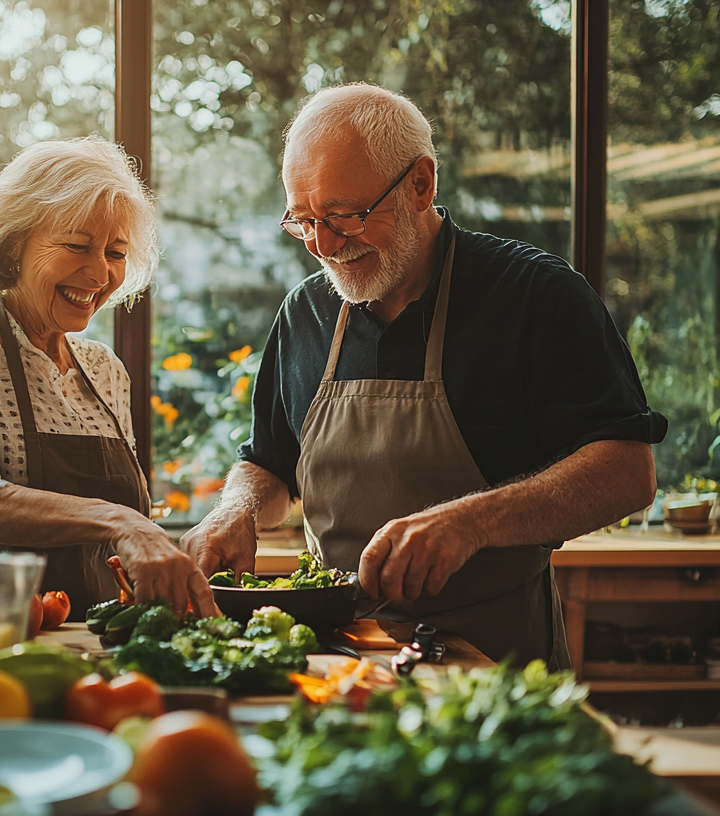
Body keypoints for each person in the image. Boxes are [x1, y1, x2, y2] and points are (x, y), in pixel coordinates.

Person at [181, 84, 667, 667]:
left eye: (345, 216)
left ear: (420, 184)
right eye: (304, 221)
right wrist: (235, 508)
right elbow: (270, 463)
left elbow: (627, 472)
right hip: (338, 661)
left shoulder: (536, 294)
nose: (324, 245)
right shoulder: (305, 313)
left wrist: (473, 521)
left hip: (496, 666)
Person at [0, 136, 217, 619]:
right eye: (77, 246)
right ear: (14, 245)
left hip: (93, 639)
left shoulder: (105, 370)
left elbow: (113, 540)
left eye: (116, 252)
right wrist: (121, 521)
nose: (100, 273)